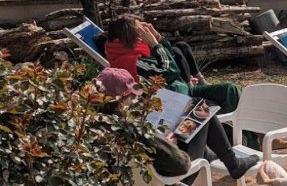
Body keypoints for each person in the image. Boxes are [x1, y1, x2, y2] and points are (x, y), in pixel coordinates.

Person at [96, 67, 259, 185]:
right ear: (123, 97)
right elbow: (181, 165)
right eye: (132, 97)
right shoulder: (134, 129)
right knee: (201, 109)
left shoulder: (91, 126)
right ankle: (232, 163)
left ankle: (211, 154)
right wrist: (169, 142)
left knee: (194, 112)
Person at [100, 14, 241, 115]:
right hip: (175, 99)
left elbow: (171, 57)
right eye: (140, 29)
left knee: (230, 90)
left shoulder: (136, 50)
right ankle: (236, 133)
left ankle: (245, 132)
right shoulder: (131, 60)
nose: (144, 31)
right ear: (130, 35)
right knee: (226, 100)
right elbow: (169, 71)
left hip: (183, 89)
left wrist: (159, 39)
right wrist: (155, 45)